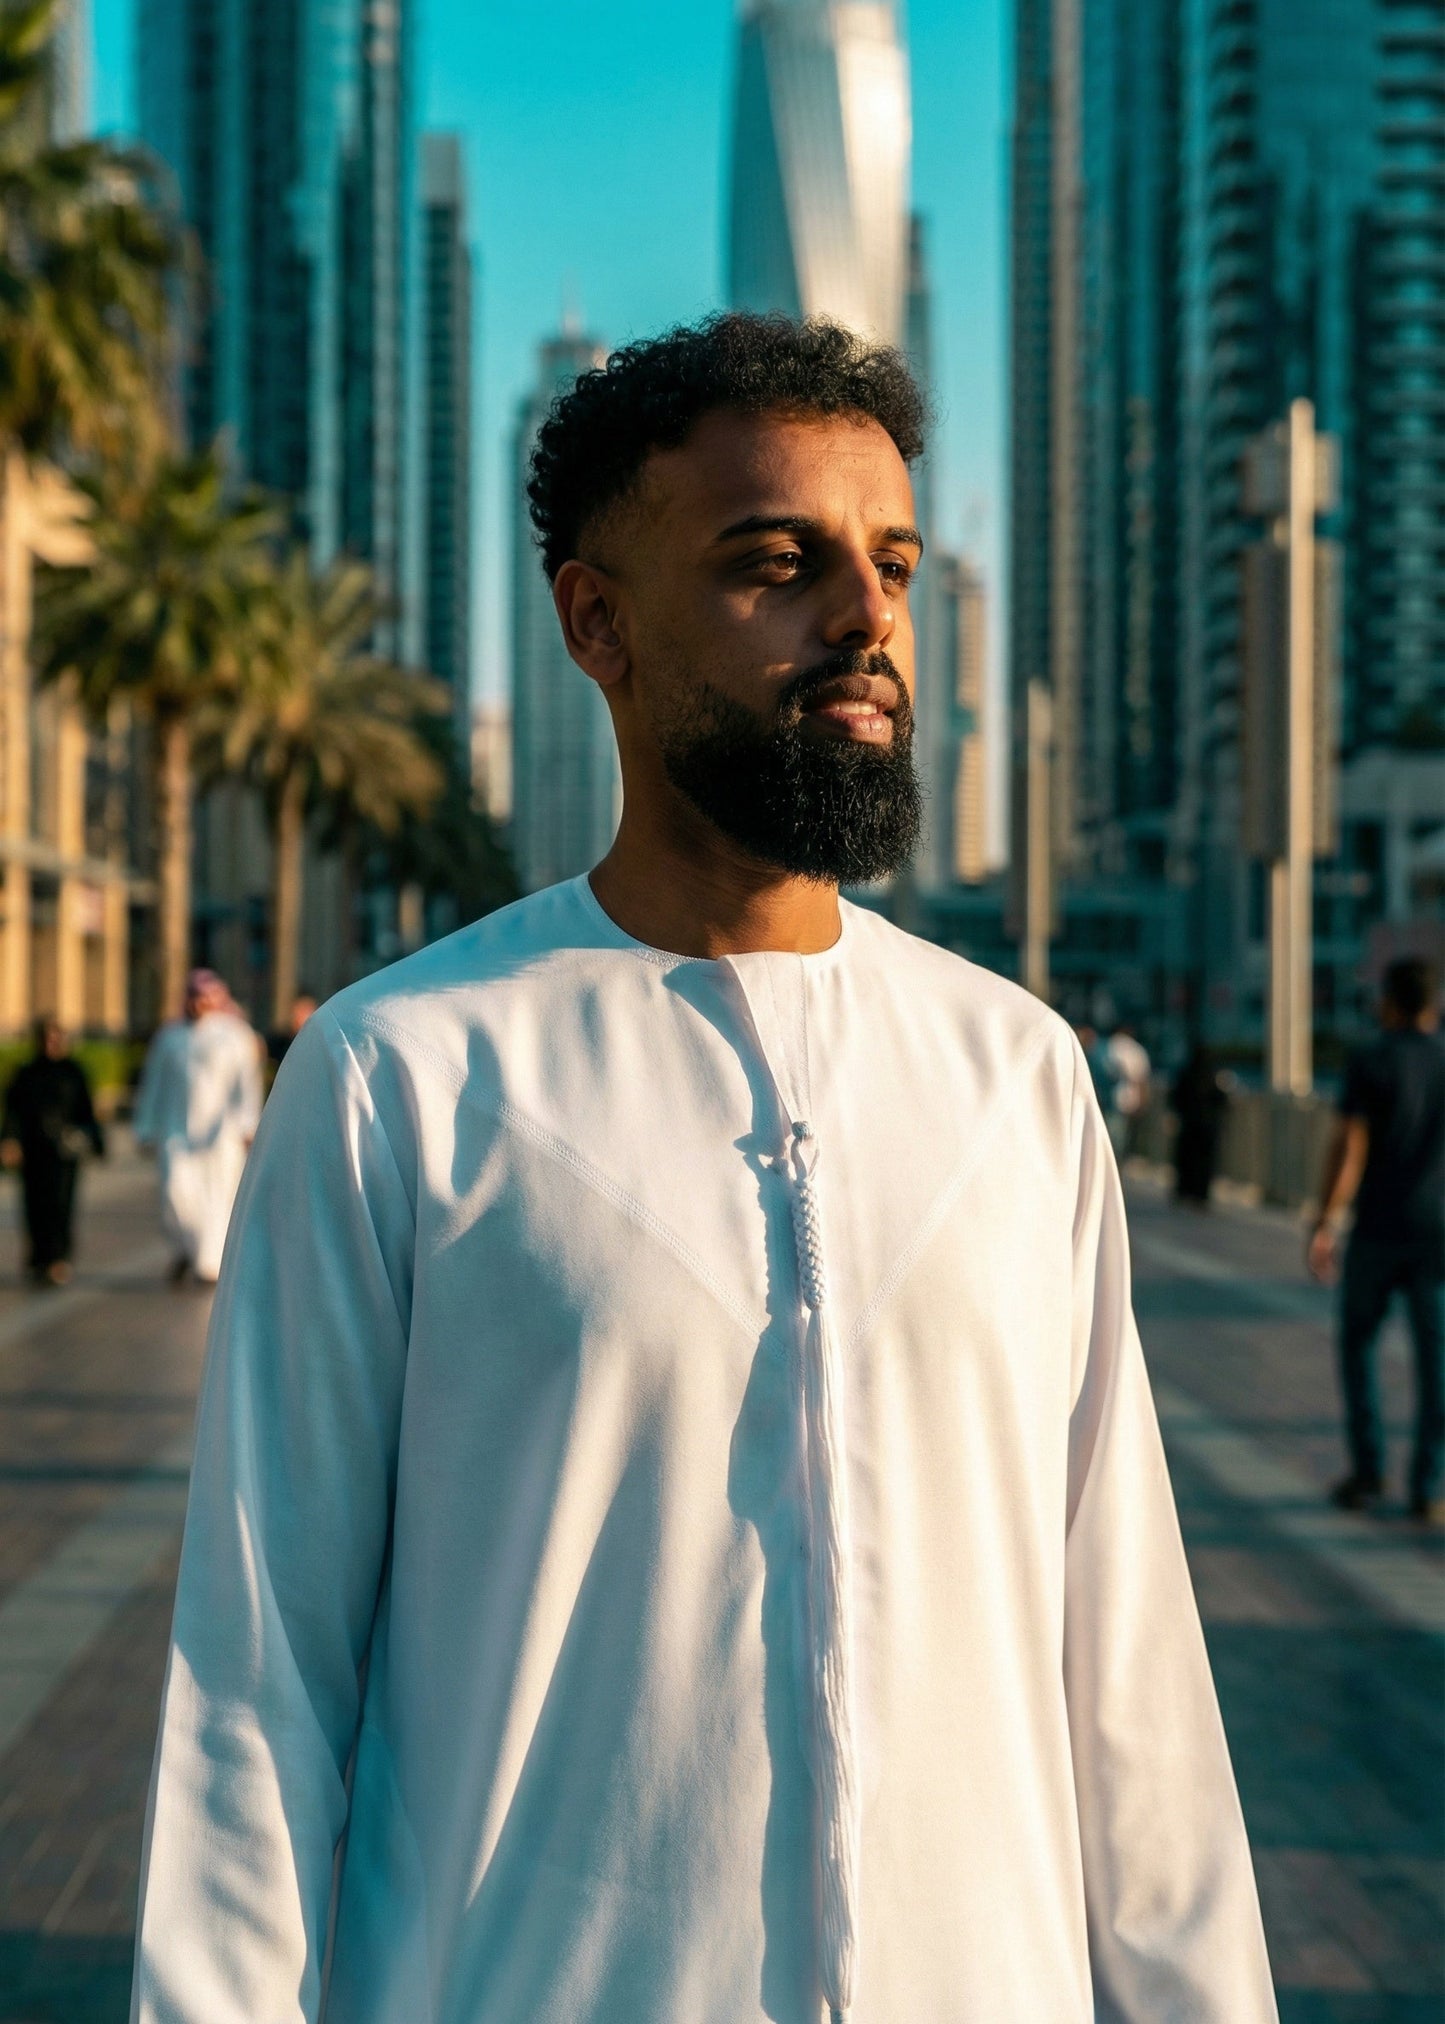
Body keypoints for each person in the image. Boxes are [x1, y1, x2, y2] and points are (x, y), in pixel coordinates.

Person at [132, 317, 1275, 2023]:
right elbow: (258, 1679)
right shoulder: (404, 1069)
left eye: (889, 561)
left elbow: (1132, 1678)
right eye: (776, 563)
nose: (867, 616)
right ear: (598, 621)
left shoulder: (1016, 1074)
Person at [1308, 957, 1445, 1523]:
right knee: (1436, 1361)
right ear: (1434, 1005)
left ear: (1389, 1002)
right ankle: (1430, 1487)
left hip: (1378, 1231)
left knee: (1358, 1346)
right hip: (1438, 1235)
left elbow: (1351, 1147)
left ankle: (1369, 1472)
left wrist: (1325, 1220)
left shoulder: (1370, 1060)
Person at [132, 968, 263, 1285]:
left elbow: (247, 1085)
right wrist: (145, 1128)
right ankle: (188, 1251)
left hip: (222, 1139)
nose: (199, 1004)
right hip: (175, 1133)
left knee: (218, 1199)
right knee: (177, 1196)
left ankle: (207, 1265)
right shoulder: (169, 1037)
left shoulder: (235, 1035)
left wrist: (248, 1125)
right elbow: (153, 1085)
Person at [0, 1017, 104, 1285]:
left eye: (55, 1038)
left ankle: (59, 1258)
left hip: (64, 1153)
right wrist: (10, 1141)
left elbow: (86, 1111)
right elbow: (14, 1112)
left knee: (61, 1206)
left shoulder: (74, 1072)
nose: (51, 1044)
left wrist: (95, 1141)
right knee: (34, 1207)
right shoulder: (26, 1073)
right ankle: (38, 1258)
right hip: (34, 1151)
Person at [1171, 1042, 1232, 1206]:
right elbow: (1223, 1101)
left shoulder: (1186, 1074)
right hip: (1208, 1127)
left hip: (1189, 1125)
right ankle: (1200, 1194)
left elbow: (1176, 1097)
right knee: (1204, 1162)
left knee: (1187, 1159)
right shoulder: (1215, 1077)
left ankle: (1186, 1191)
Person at [1107, 1022, 1152, 1156]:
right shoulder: (1136, 1050)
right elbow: (1141, 1081)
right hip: (1124, 1103)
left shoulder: (1107, 1045)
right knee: (1117, 1146)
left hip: (1107, 1100)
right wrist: (1142, 1104)